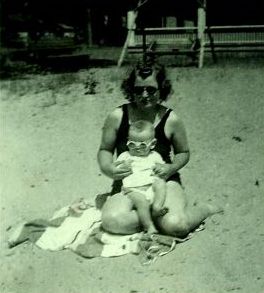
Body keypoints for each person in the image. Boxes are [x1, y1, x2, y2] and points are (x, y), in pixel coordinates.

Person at [97, 61, 222, 237]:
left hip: (163, 182)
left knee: (176, 225)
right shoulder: (117, 116)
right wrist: (109, 168)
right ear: (131, 90)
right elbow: (105, 149)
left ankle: (203, 209)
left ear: (161, 89)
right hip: (128, 185)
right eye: (139, 90)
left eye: (151, 89)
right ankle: (154, 216)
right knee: (112, 221)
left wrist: (170, 168)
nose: (145, 95)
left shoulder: (170, 119)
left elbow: (183, 153)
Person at [116, 120, 169, 234]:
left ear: (153, 144)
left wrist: (159, 170)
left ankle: (156, 207)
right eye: (132, 144)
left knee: (160, 184)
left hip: (151, 187)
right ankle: (149, 226)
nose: (137, 147)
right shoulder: (125, 156)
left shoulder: (155, 156)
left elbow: (162, 170)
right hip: (133, 190)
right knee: (142, 202)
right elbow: (115, 171)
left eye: (143, 144)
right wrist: (122, 166)